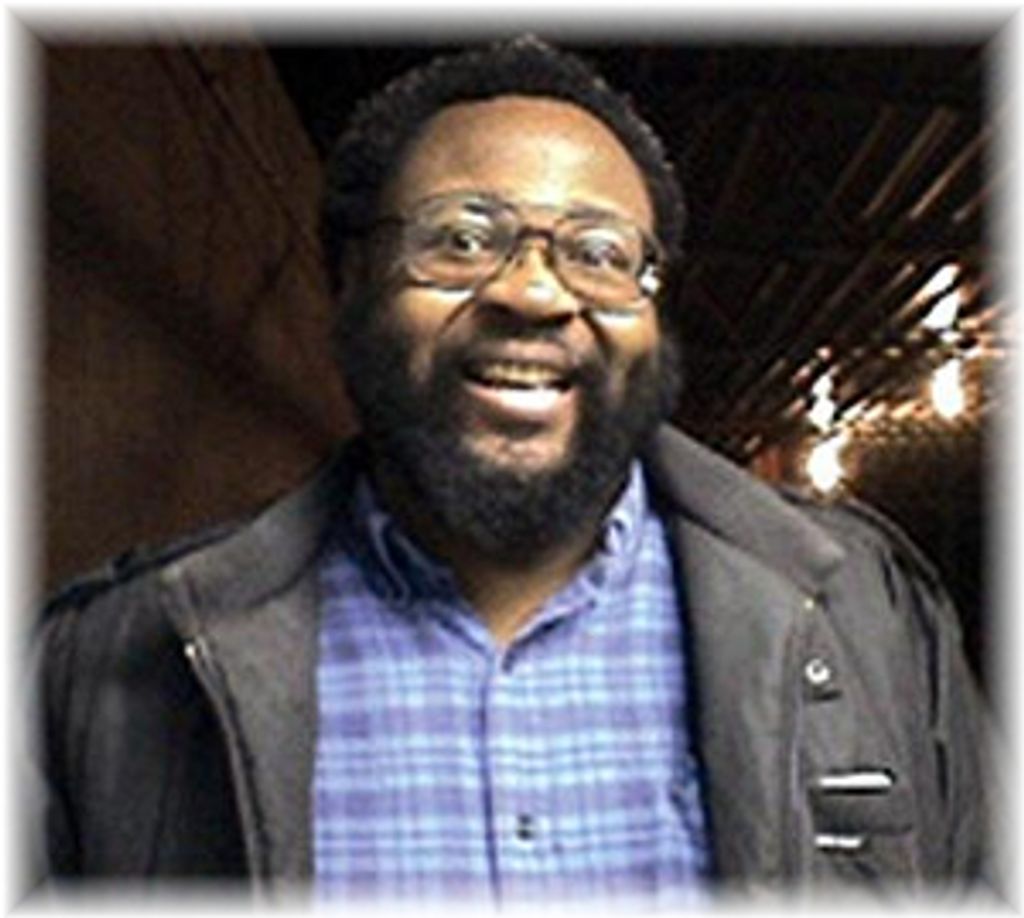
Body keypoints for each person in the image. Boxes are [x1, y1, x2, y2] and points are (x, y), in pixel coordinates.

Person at [32, 37, 996, 907]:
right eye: (460, 239)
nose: (534, 292)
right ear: (352, 279)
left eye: (599, 253)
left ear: (653, 309)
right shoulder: (102, 665)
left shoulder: (873, 619)